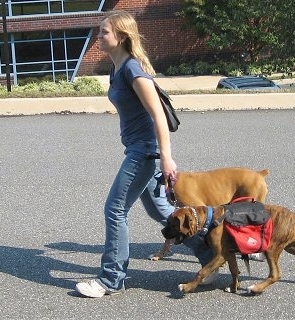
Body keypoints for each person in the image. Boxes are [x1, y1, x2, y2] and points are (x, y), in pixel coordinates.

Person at [75, 10, 178, 298]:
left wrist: (166, 157)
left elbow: (158, 115)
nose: (99, 35)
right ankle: (212, 251)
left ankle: (111, 279)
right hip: (139, 148)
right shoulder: (117, 66)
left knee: (115, 209)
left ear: (120, 36)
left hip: (144, 152)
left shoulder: (132, 69)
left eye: (104, 32)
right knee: (162, 211)